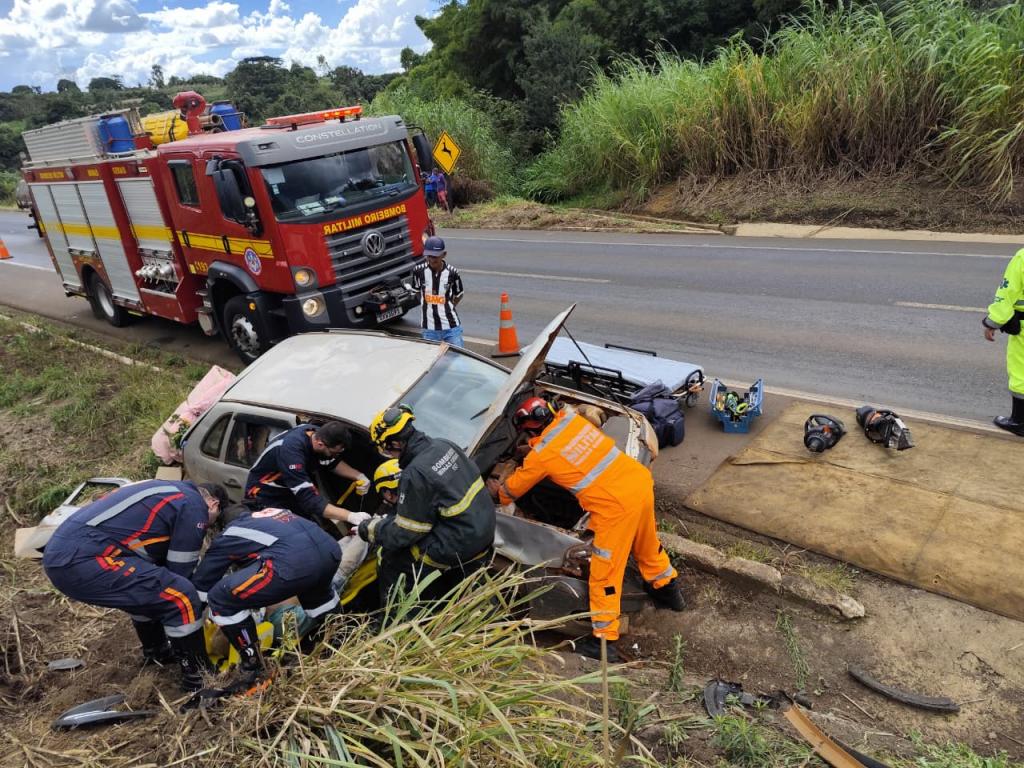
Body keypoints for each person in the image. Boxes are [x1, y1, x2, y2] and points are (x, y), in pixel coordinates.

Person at [485, 396, 685, 662]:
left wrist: (497, 491)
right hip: (638, 483)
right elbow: (569, 448)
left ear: (530, 430)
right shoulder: (572, 421)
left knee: (604, 573)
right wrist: (531, 449)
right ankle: (669, 592)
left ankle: (604, 642)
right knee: (646, 544)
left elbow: (512, 491)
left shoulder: (542, 455)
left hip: (615, 507)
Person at [42, 480, 229, 691]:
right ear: (213, 504)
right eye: (213, 521)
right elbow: (181, 572)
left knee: (149, 589)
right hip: (83, 559)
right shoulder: (194, 505)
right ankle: (199, 678)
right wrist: (202, 603)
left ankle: (157, 653)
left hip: (64, 556)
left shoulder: (169, 493)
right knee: (181, 596)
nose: (208, 525)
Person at [357, 405, 495, 610]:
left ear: (396, 443)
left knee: (393, 561)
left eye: (387, 449)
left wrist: (370, 528)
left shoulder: (415, 474)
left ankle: (400, 619)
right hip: (484, 529)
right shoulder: (444, 445)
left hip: (459, 543)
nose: (389, 454)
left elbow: (406, 532)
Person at [190, 507, 343, 682]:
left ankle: (252, 666)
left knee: (220, 599)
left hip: (293, 563)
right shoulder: (274, 514)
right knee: (317, 595)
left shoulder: (230, 532)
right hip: (330, 550)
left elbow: (202, 586)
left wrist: (192, 621)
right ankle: (342, 638)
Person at [245, 421, 372, 529]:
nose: (336, 455)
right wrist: (350, 516)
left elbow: (331, 462)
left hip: (288, 491)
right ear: (320, 444)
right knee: (294, 535)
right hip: (265, 496)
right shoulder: (291, 453)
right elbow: (310, 499)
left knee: (309, 526)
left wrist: (359, 476)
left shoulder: (318, 434)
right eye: (334, 452)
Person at [984, 248, 1024, 436]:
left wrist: (993, 322)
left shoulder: (1022, 257)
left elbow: (1006, 292)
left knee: (1021, 372)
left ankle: (1019, 421)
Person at [413, 236, 464, 347]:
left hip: (451, 328)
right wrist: (425, 304)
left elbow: (459, 294)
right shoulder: (418, 271)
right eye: (429, 256)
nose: (432, 259)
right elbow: (416, 291)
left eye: (435, 256)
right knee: (433, 357)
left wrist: (447, 307)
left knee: (457, 356)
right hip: (429, 329)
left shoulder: (453, 272)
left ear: (444, 254)